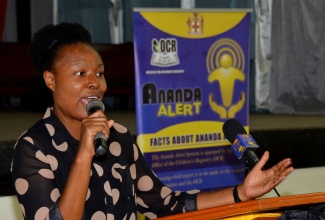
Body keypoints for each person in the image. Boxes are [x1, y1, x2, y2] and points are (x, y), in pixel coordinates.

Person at [11, 22, 294, 220]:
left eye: (99, 73)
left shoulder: (119, 137)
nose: (94, 83)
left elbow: (165, 204)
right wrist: (84, 156)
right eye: (80, 74)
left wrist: (240, 192)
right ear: (50, 80)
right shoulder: (34, 148)